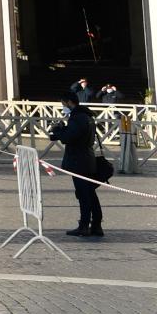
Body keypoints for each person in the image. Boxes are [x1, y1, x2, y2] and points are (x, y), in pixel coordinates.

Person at [50, 98, 103, 238]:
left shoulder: (77, 118)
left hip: (79, 161)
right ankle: (96, 225)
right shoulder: (87, 116)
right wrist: (63, 130)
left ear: (69, 102)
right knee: (90, 193)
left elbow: (69, 137)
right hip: (88, 159)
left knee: (83, 194)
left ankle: (84, 226)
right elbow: (78, 134)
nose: (63, 107)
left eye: (63, 104)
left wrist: (57, 131)